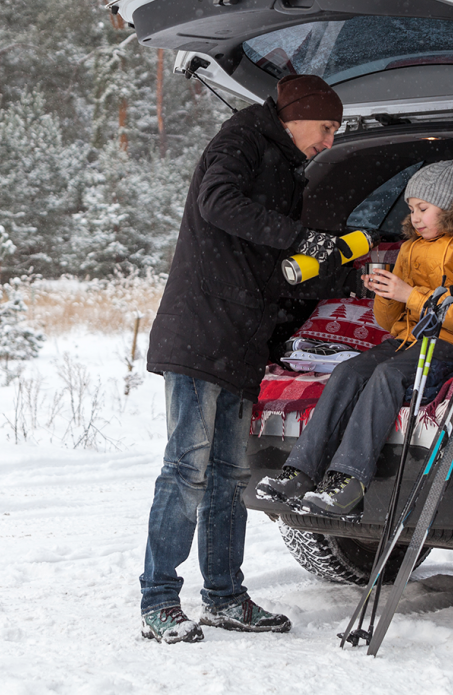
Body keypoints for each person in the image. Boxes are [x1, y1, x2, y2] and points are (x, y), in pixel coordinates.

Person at [139, 74, 348, 644]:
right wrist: (300, 238)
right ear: (298, 113)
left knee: (230, 477)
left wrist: (329, 267)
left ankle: (225, 597)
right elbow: (218, 201)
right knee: (186, 470)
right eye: (326, 127)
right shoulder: (242, 139)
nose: (329, 140)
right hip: (198, 330)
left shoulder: (287, 166)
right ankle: (158, 599)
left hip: (242, 338)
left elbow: (268, 262)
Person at [256, 159, 453, 519]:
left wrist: (410, 294)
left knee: (387, 376)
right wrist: (386, 294)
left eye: (423, 208)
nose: (415, 217)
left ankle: (348, 484)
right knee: (348, 373)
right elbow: (389, 322)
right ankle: (301, 472)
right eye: (411, 209)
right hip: (406, 341)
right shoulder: (412, 247)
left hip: (450, 346)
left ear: (449, 206)